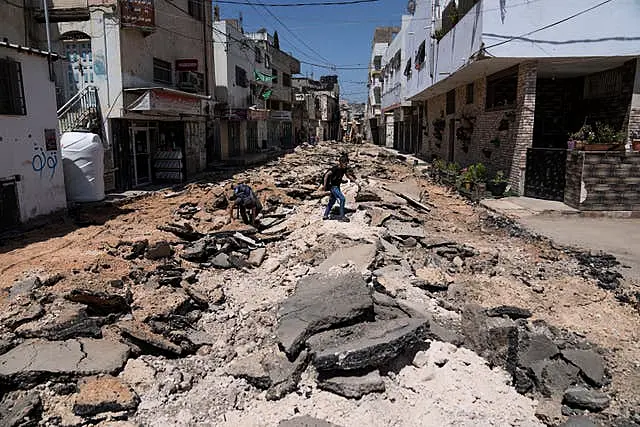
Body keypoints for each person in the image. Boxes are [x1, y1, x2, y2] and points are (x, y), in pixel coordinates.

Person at [322, 153, 357, 222]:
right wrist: (325, 185)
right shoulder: (335, 169)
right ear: (341, 163)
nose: (346, 165)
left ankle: (325, 215)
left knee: (332, 201)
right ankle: (342, 216)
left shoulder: (344, 169)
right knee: (342, 199)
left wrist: (356, 182)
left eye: (347, 164)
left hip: (337, 186)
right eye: (345, 164)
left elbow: (348, 176)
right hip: (333, 186)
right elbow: (326, 175)